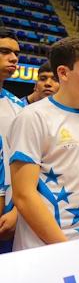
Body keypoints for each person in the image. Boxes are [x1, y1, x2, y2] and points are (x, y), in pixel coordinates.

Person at [10, 37, 79, 250]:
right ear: (64, 73)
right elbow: (24, 195)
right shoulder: (33, 117)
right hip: (43, 247)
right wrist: (65, 250)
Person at [0, 28, 25, 252]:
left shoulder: (19, 108)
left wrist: (18, 211)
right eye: (4, 51)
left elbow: (30, 166)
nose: (14, 58)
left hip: (7, 214)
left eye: (16, 53)